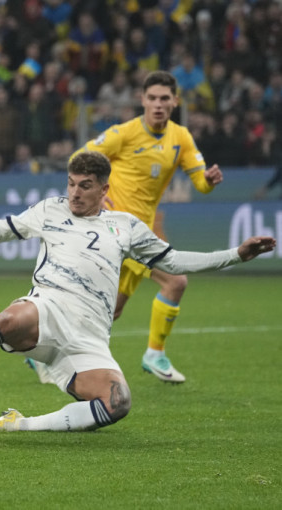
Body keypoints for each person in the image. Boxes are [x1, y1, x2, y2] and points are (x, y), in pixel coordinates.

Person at [0, 151, 274, 434]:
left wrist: (236, 255)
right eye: (71, 184)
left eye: (85, 186)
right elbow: (2, 229)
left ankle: (17, 424)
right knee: (9, 318)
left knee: (117, 403)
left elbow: (173, 262)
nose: (75, 193)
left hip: (89, 337)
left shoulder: (125, 226)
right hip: (48, 308)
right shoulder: (51, 210)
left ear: (104, 189)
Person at [56, 70, 225, 383]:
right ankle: (154, 354)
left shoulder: (181, 138)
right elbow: (79, 157)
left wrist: (208, 181)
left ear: (175, 101)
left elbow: (200, 183)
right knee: (176, 281)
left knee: (112, 310)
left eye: (164, 98)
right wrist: (94, 194)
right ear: (142, 100)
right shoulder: (124, 133)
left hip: (142, 229)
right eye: (152, 98)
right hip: (115, 230)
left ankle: (51, 348)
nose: (158, 104)